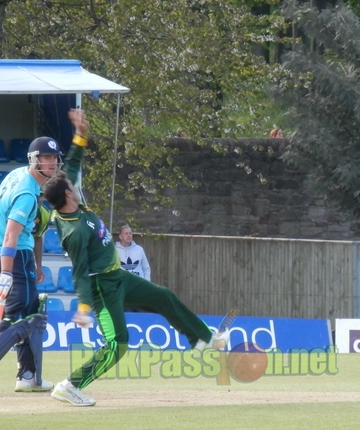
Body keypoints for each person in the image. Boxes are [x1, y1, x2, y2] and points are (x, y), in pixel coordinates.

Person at [42, 162, 226, 407]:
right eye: (71, 186)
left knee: (163, 296)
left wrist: (79, 135)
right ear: (67, 194)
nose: (75, 185)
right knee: (118, 344)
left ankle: (202, 338)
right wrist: (84, 308)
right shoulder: (74, 231)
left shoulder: (75, 205)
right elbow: (80, 273)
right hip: (102, 288)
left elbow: (72, 166)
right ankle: (69, 386)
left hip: (118, 277)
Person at [0, 109, 90, 393]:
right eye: (47, 158)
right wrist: (7, 273)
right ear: (35, 160)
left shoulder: (19, 176)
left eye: (54, 158)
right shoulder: (26, 192)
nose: (52, 163)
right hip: (11, 256)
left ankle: (28, 376)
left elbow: (33, 234)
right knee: (18, 317)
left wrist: (37, 264)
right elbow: (12, 233)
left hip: (12, 255)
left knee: (33, 310)